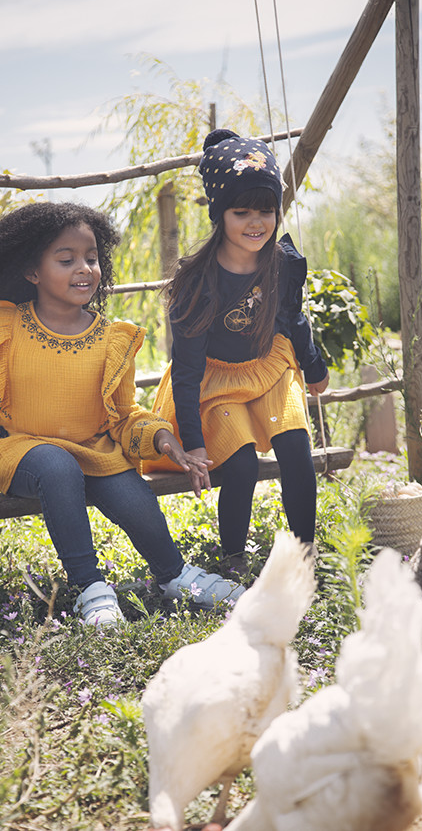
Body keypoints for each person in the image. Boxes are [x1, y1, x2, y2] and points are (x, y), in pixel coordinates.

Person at [0, 201, 245, 626]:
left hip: (94, 450)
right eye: (66, 260)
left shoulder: (112, 339)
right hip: (19, 448)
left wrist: (163, 439)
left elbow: (124, 417)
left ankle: (176, 576)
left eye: (91, 258)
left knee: (134, 497)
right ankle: (90, 587)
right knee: (57, 466)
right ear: (33, 272)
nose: (84, 268)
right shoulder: (5, 327)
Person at [145, 130, 330, 559]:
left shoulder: (281, 262)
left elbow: (292, 318)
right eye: (241, 211)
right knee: (242, 462)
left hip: (268, 368)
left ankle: (306, 554)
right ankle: (233, 559)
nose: (256, 223)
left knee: (295, 447)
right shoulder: (197, 282)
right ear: (219, 213)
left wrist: (314, 367)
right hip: (216, 379)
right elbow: (187, 370)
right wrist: (193, 442)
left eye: (266, 210)